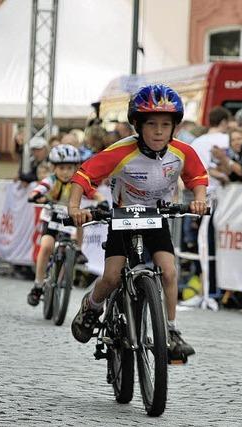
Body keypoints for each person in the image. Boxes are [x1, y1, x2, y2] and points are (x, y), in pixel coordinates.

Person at [68, 84, 208, 362]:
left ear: (174, 127)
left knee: (169, 271)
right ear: (137, 125)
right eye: (152, 124)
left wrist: (199, 200)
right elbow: (83, 177)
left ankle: (169, 331)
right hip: (122, 217)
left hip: (156, 217)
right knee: (110, 276)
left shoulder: (182, 152)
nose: (158, 131)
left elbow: (198, 178)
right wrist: (74, 207)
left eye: (165, 125)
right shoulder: (121, 150)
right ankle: (91, 306)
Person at [26, 144, 107, 306]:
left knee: (81, 216)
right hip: (53, 217)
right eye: (61, 168)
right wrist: (36, 196)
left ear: (76, 168)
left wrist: (102, 201)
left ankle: (77, 249)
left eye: (69, 168)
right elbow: (39, 189)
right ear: (54, 168)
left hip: (70, 217)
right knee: (47, 246)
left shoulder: (78, 182)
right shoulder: (51, 180)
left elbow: (92, 192)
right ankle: (38, 284)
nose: (65, 172)